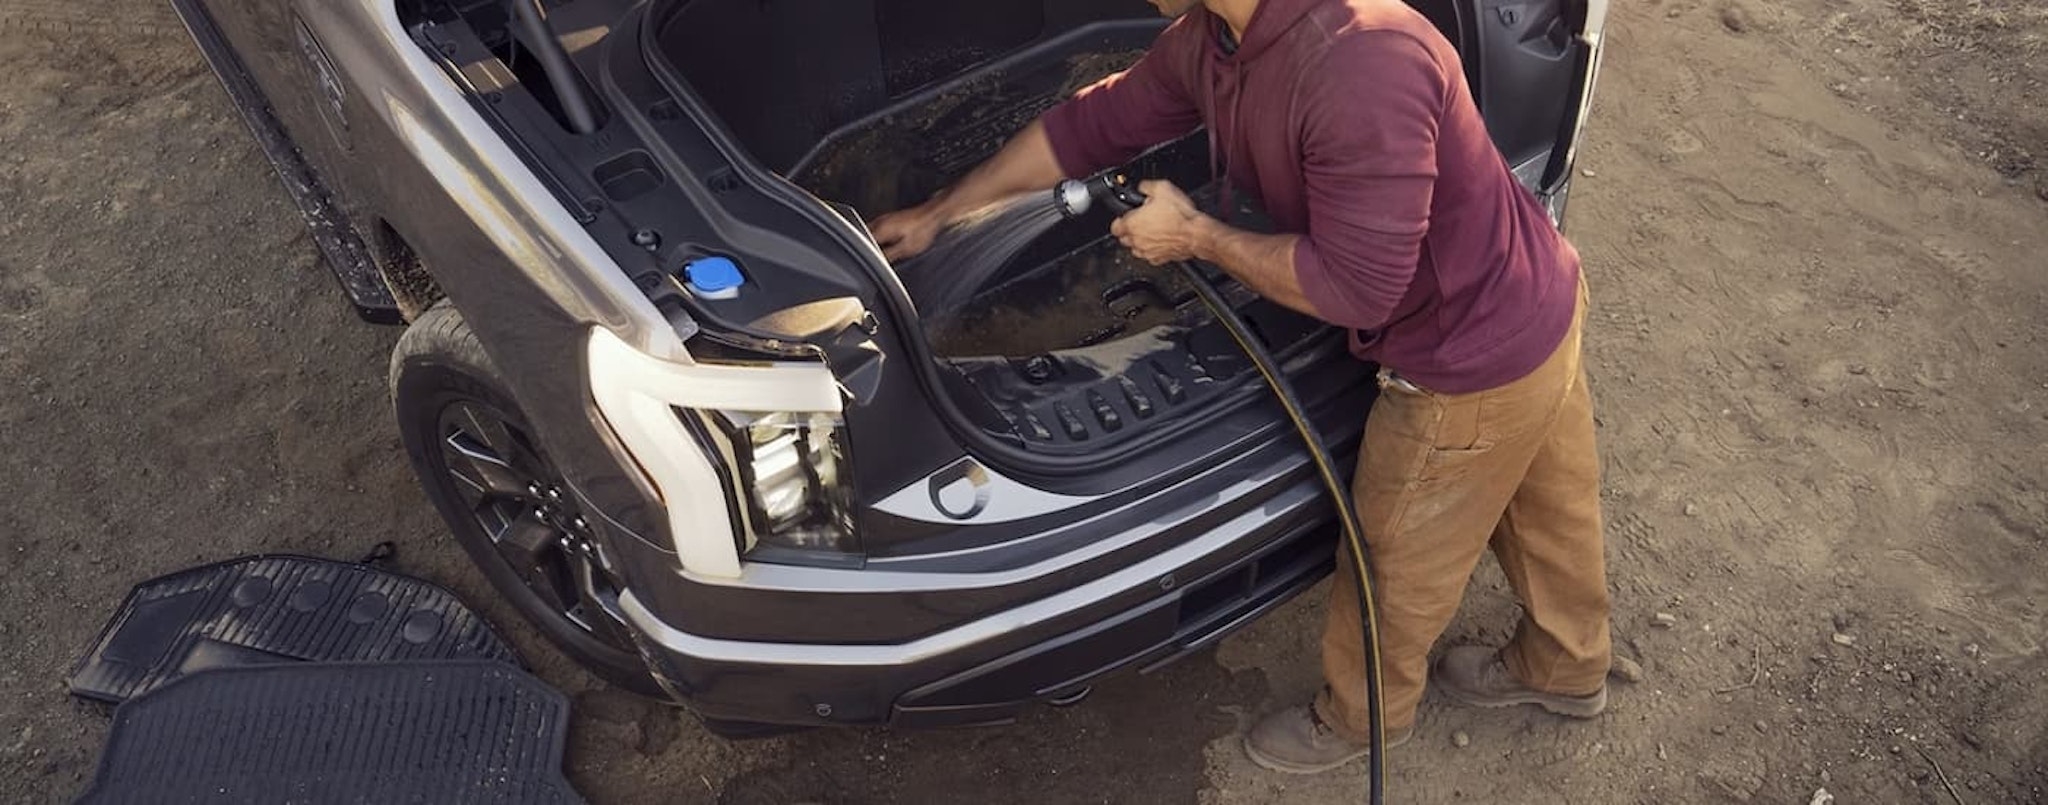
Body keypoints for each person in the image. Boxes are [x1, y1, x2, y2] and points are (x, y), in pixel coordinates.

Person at [871, 0, 1612, 775]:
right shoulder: (1217, 37)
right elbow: (1090, 126)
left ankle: (1360, 719)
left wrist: (1195, 237)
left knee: (1394, 558)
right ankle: (1566, 664)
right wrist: (941, 213)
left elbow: (1360, 292)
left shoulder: (1363, 63)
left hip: (1465, 354)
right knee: (1548, 504)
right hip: (1535, 294)